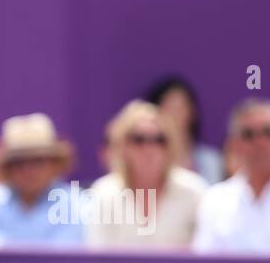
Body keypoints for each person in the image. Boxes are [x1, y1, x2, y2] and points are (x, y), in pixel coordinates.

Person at [86, 100, 205, 249]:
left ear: (170, 146)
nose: (149, 148)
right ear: (123, 146)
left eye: (159, 140)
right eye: (139, 139)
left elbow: (204, 253)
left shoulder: (194, 191)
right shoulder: (104, 193)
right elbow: (98, 256)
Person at [193, 98, 270, 254]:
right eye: (249, 134)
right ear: (234, 144)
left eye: (268, 132)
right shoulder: (215, 201)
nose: (260, 142)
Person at [0, 113, 84, 248]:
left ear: (54, 165)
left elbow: (65, 255)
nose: (28, 170)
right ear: (7, 168)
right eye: (18, 162)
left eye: (38, 161)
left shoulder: (77, 203)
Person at [144, 76, 226, 184]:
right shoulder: (148, 161)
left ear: (192, 112)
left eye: (180, 106)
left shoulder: (213, 161)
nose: (176, 115)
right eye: (170, 107)